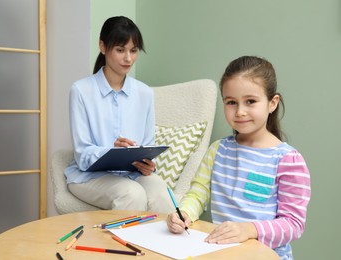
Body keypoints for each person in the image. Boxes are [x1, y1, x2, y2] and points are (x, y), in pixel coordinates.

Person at [167, 56, 311, 259]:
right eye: (231, 102)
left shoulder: (288, 161)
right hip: (219, 252)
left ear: (272, 103)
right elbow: (198, 193)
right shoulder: (217, 151)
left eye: (250, 101)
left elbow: (293, 225)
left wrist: (250, 230)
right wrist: (184, 213)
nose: (240, 112)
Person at [64, 16, 174, 213]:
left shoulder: (145, 93)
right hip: (89, 176)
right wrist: (110, 151)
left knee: (162, 194)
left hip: (131, 174)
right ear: (103, 47)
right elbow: (82, 154)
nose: (128, 58)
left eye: (133, 51)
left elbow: (147, 144)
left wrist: (147, 164)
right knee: (131, 194)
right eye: (120, 50)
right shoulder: (81, 90)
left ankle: (162, 245)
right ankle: (122, 244)